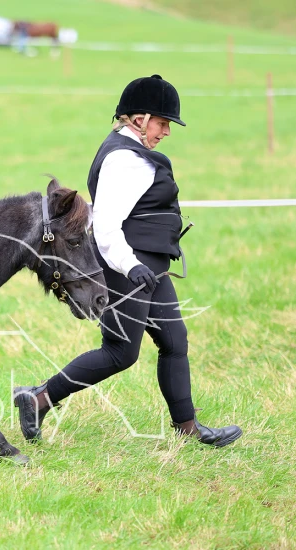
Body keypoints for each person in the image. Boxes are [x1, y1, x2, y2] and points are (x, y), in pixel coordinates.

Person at [14, 75, 242, 447]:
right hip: (126, 267)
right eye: (162, 123)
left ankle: (188, 427)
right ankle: (39, 398)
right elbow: (105, 224)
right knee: (120, 352)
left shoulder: (133, 152)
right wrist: (130, 266)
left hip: (149, 267)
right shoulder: (124, 159)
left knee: (174, 340)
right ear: (139, 119)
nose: (166, 132)